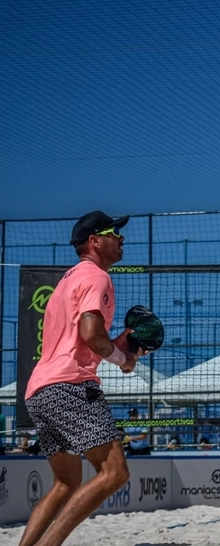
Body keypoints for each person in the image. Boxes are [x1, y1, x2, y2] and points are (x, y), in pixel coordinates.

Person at [18, 210, 143, 546]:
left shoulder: (67, 280)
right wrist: (122, 360)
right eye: (114, 232)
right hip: (70, 387)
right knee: (115, 474)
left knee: (65, 484)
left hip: (40, 390)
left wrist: (119, 348)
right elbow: (91, 335)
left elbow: (83, 341)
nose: (121, 238)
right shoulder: (96, 277)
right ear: (94, 241)